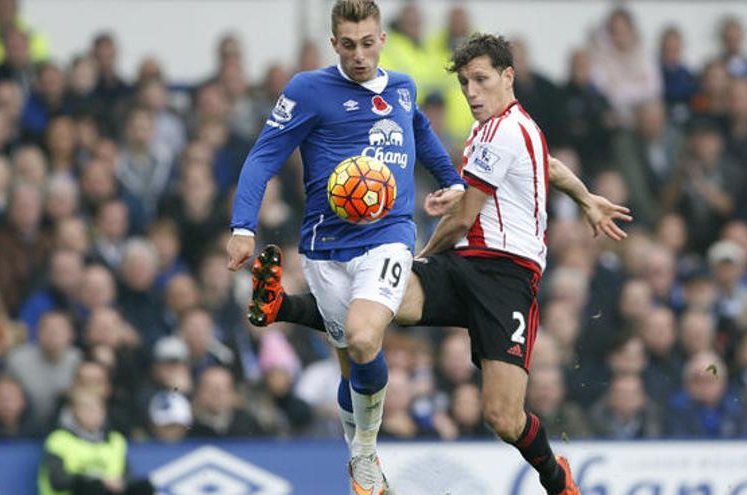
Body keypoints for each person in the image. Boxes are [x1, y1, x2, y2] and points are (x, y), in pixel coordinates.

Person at [248, 33, 632, 495]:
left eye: (481, 80)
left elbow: (465, 216)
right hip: (465, 263)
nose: (471, 92)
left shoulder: (506, 129)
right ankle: (280, 306)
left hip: (506, 280)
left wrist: (422, 254)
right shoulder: (496, 129)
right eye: (466, 82)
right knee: (377, 303)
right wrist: (585, 196)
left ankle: (555, 476)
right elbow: (544, 165)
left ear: (508, 77)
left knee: (503, 418)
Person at [225, 1, 465, 493]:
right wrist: (243, 225)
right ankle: (367, 461)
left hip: (389, 236)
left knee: (362, 337)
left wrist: (452, 181)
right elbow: (263, 156)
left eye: (369, 42)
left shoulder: (401, 86)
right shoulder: (307, 90)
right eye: (349, 45)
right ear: (335, 43)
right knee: (352, 363)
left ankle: (362, 455)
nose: (360, 55)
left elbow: (418, 129)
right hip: (325, 246)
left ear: (382, 39)